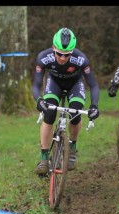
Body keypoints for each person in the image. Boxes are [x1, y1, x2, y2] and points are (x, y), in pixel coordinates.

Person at [32, 27, 100, 175]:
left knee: (76, 114)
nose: (63, 58)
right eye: (59, 54)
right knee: (49, 114)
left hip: (74, 85)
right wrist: (39, 100)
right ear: (53, 48)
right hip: (54, 84)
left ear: (72, 51)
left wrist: (94, 105)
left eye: (67, 55)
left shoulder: (81, 59)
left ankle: (72, 147)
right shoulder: (43, 57)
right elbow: (36, 84)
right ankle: (44, 158)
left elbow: (93, 85)